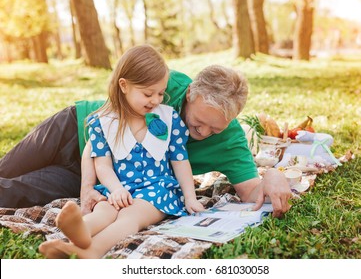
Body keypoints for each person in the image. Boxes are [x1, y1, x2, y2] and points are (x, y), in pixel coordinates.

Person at [0, 46, 291, 218]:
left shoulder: (231, 141)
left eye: (215, 128)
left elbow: (252, 190)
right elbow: (122, 85)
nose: (202, 133)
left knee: (15, 193)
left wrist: (273, 177)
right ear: (189, 94)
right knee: (7, 167)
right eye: (196, 123)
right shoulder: (166, 86)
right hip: (73, 127)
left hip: (96, 172)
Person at [38, 45, 204, 259]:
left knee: (129, 216)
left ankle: (93, 250)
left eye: (161, 93)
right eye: (148, 93)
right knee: (105, 211)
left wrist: (190, 197)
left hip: (156, 191)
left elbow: (180, 161)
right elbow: (102, 164)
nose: (156, 100)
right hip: (119, 188)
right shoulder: (104, 121)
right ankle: (79, 232)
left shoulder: (168, 118)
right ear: (124, 86)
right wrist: (115, 189)